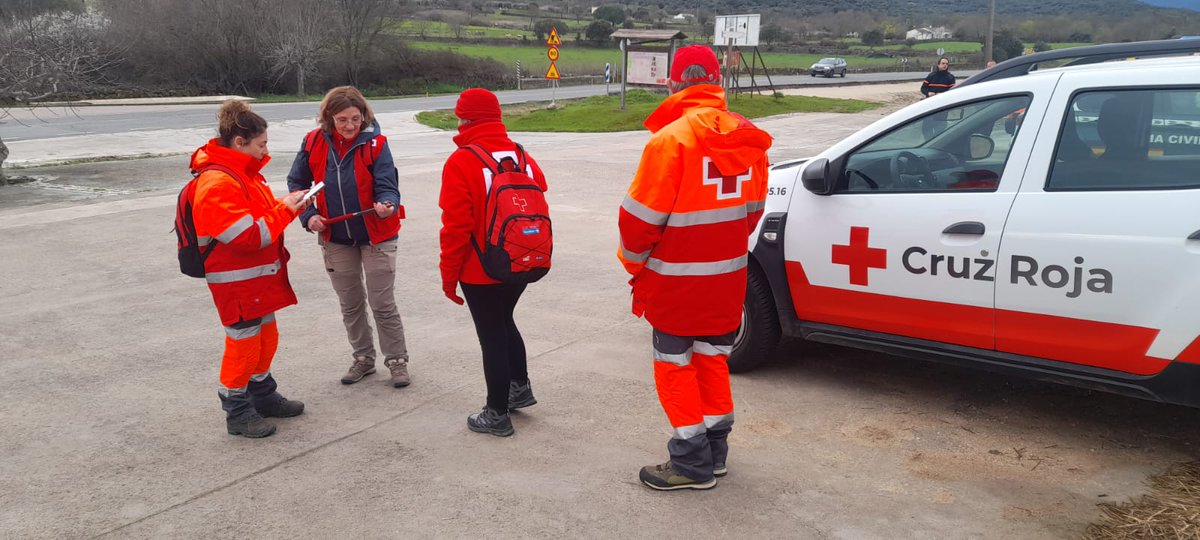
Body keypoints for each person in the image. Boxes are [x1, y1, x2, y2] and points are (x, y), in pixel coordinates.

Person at [617, 45, 771, 490]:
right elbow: (752, 214)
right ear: (717, 81)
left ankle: (689, 464)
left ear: (672, 84)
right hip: (727, 281)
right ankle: (715, 453)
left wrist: (634, 265)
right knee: (713, 362)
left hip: (674, 283)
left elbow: (638, 223)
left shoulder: (669, 141)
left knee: (674, 367)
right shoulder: (751, 140)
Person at [191, 100, 308, 438]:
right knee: (243, 346)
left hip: (256, 279)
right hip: (236, 283)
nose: (265, 150)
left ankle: (262, 394)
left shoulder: (243, 175)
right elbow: (247, 235)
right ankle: (237, 410)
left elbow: (258, 214)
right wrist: (285, 211)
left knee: (265, 339)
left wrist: (287, 203)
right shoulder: (217, 182)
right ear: (239, 143)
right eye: (262, 144)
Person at [438, 88, 548, 437]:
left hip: (480, 267)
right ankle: (519, 387)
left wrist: (448, 276)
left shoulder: (462, 160)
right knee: (504, 321)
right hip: (520, 257)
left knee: (492, 335)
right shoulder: (521, 154)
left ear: (464, 119)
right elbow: (539, 191)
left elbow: (455, 226)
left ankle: (496, 412)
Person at [286, 87, 412, 388]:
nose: (350, 126)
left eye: (356, 119)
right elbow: (297, 183)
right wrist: (307, 216)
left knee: (382, 302)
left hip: (377, 235)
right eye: (343, 119)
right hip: (335, 235)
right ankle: (363, 358)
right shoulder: (312, 142)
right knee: (351, 302)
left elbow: (388, 185)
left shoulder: (377, 144)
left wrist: (386, 205)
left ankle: (397, 360)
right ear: (329, 117)